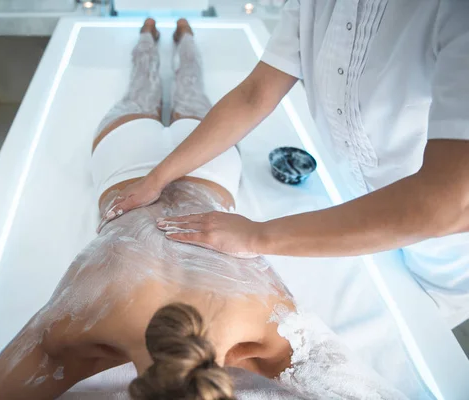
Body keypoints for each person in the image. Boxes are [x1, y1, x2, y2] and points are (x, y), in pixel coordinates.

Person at [0, 20, 404, 400]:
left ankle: (162, 35)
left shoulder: (264, 325)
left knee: (167, 87)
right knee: (162, 88)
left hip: (207, 166)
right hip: (127, 162)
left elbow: (356, 387)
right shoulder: (83, 318)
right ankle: (164, 34)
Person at [102, 1, 469, 329]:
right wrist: (158, 177)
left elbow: (445, 205)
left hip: (443, 261)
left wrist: (256, 236)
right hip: (355, 210)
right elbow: (254, 94)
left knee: (425, 335)